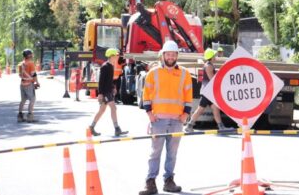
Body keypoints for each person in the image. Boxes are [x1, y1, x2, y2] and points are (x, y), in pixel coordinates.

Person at [138, 41, 192, 195]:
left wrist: (185, 115)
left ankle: (169, 181)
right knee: (155, 152)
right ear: (163, 55)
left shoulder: (184, 73)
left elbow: (188, 95)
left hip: (177, 120)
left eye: (173, 54)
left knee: (172, 153)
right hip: (158, 120)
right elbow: (146, 95)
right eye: (168, 54)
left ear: (177, 56)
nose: (171, 57)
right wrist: (149, 114)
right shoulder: (153, 73)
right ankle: (150, 182)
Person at [184, 48, 226, 132]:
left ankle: (221, 127)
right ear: (211, 57)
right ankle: (189, 125)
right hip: (207, 91)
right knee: (200, 109)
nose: (216, 57)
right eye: (214, 56)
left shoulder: (209, 65)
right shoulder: (209, 66)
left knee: (215, 108)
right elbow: (212, 79)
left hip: (208, 91)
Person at [88, 48, 128, 137]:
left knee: (102, 110)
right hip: (105, 92)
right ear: (111, 56)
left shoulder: (111, 66)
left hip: (108, 91)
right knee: (113, 108)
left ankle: (91, 127)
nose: (117, 57)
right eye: (116, 55)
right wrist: (100, 94)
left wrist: (113, 87)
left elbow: (109, 80)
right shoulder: (105, 66)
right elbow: (101, 81)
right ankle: (117, 129)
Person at [17, 49, 40, 123]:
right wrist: (37, 82)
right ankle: (30, 116)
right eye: (31, 54)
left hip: (22, 84)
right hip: (29, 84)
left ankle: (20, 116)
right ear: (28, 55)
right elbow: (33, 74)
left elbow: (20, 75)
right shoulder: (31, 63)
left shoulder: (21, 64)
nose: (32, 55)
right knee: (32, 99)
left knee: (23, 100)